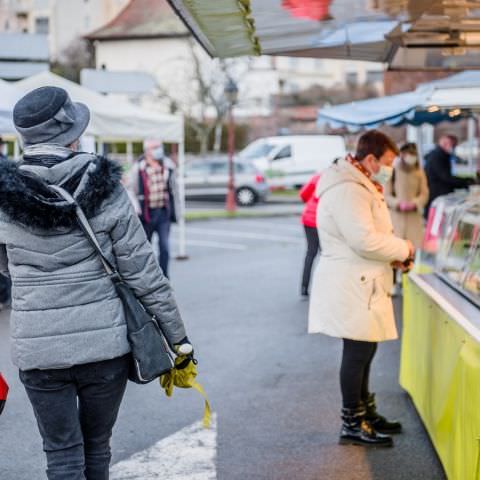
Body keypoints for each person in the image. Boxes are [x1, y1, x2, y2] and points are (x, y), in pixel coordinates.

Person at [0, 86, 192, 480]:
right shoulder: (103, 186)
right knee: (97, 450)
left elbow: (4, 264)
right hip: (103, 348)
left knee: (62, 456)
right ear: (72, 134)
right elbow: (143, 271)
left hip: (38, 349)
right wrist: (179, 341)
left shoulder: (5, 194)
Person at [308, 130, 415, 448]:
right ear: (371, 159)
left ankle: (365, 413)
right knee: (357, 352)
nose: (390, 169)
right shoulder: (349, 189)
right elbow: (363, 240)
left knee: (365, 350)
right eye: (388, 162)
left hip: (361, 278)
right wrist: (403, 248)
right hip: (352, 281)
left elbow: (369, 236)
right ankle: (352, 422)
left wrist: (394, 255)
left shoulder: (358, 183)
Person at [127, 139, 179, 278]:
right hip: (146, 214)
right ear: (147, 151)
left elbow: (173, 189)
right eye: (155, 147)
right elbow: (131, 189)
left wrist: (176, 211)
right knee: (145, 249)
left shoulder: (167, 166)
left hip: (163, 213)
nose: (158, 150)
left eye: (159, 147)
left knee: (165, 248)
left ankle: (164, 277)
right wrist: (136, 208)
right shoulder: (139, 167)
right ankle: (148, 278)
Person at [384, 143, 429, 295]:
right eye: (407, 154)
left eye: (412, 154)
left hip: (413, 219)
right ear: (401, 155)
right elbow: (386, 195)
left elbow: (424, 193)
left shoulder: (419, 172)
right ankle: (392, 282)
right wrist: (398, 204)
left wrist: (415, 203)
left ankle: (406, 282)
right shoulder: (392, 171)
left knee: (411, 252)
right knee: (394, 251)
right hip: (396, 218)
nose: (410, 157)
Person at [424, 135, 475, 217]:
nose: (453, 147)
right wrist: (466, 182)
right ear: (445, 143)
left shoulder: (439, 154)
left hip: (437, 194)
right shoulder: (437, 156)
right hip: (436, 195)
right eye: (453, 145)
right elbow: (445, 177)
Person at [299, 173, 321, 297]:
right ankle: (324, 286)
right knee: (326, 255)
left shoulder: (318, 177)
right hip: (321, 220)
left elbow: (303, 195)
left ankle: (304, 287)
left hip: (308, 217)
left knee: (311, 253)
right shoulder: (336, 180)